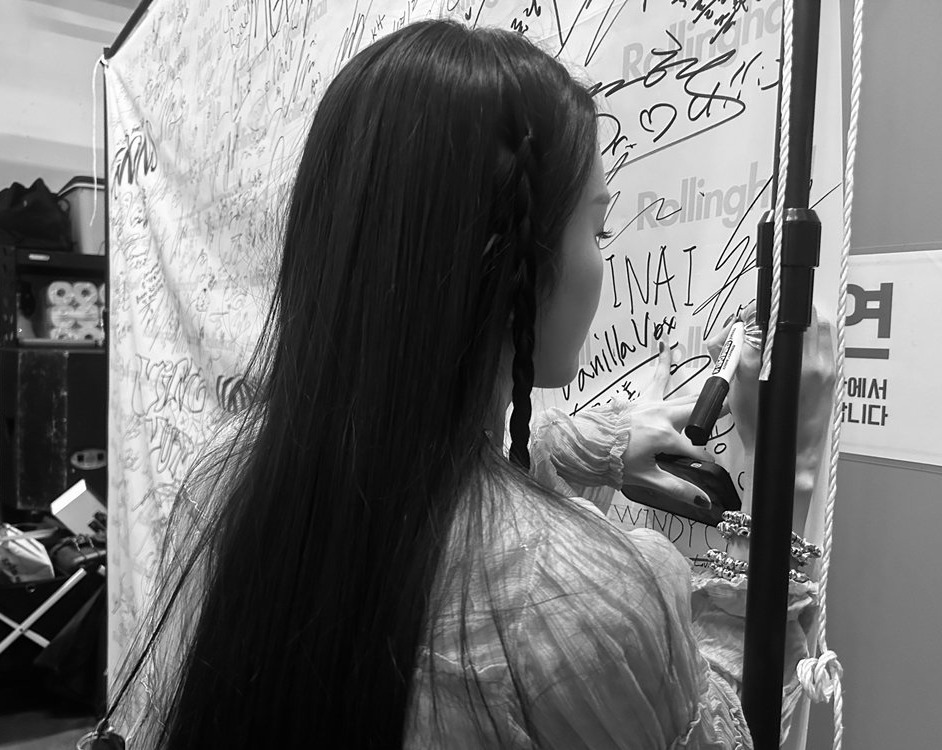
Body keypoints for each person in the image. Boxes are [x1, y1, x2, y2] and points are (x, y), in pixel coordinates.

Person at [105, 19, 833, 749]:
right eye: (599, 230)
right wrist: (789, 473)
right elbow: (716, 725)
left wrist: (598, 441)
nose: (602, 259)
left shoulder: (224, 488)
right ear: (510, 263)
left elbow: (401, 450)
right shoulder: (586, 602)